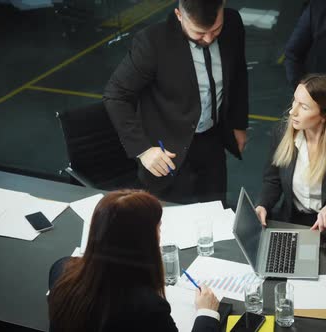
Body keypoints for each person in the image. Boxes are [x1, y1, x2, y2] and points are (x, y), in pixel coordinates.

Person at [103, 0, 248, 204]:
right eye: (198, 32)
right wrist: (143, 149)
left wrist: (238, 123)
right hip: (167, 150)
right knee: (170, 222)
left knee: (215, 213)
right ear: (179, 15)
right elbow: (115, 95)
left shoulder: (233, 23)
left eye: (216, 30)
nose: (208, 38)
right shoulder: (152, 42)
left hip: (212, 140)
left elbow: (239, 73)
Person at [47, 190, 221, 332]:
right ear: (142, 240)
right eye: (158, 228)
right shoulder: (148, 308)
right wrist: (207, 313)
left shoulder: (61, 269)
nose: (159, 236)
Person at [256, 73, 326, 231]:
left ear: (325, 115)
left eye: (303, 107)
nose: (292, 112)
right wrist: (262, 205)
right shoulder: (281, 133)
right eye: (294, 101)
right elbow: (272, 180)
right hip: (291, 222)